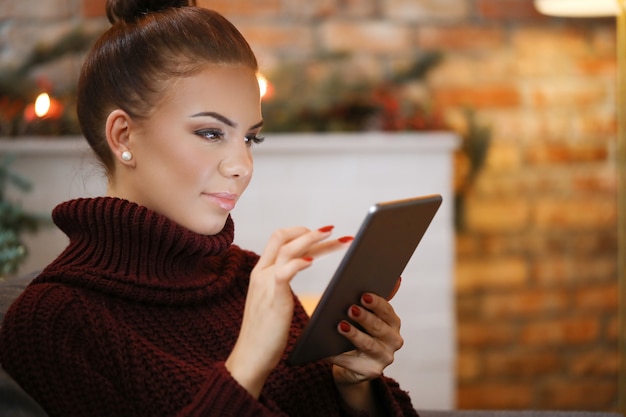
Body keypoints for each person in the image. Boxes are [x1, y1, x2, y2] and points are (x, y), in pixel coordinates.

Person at [0, 1, 420, 416]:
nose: (242, 165)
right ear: (123, 136)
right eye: (210, 132)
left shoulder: (249, 280)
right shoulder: (50, 324)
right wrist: (246, 364)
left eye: (250, 138)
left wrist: (356, 392)